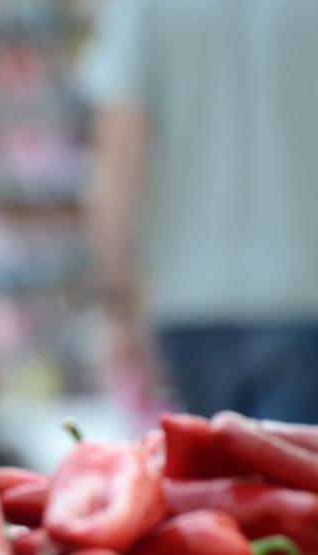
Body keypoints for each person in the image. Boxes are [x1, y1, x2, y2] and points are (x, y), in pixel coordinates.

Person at [78, 0, 318, 423]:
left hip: (190, 300)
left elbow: (120, 147)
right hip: (302, 293)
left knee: (215, 481)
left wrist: (115, 299)